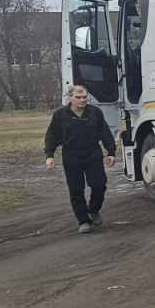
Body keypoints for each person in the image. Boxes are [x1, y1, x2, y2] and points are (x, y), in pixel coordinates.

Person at [44, 84, 117, 233]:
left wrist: (111, 152)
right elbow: (52, 135)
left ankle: (94, 210)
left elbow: (104, 132)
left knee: (99, 184)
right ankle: (83, 221)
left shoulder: (95, 112)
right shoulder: (60, 115)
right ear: (70, 97)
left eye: (84, 97)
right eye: (78, 97)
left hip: (92, 153)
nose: (82, 100)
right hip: (71, 156)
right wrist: (49, 155)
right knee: (76, 190)